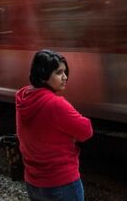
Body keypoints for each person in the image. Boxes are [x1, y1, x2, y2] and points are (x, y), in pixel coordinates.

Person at [16, 50, 93, 201]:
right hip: (61, 183)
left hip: (33, 183)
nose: (65, 77)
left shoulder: (23, 97)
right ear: (43, 75)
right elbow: (86, 130)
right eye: (59, 73)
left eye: (65, 72)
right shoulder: (55, 104)